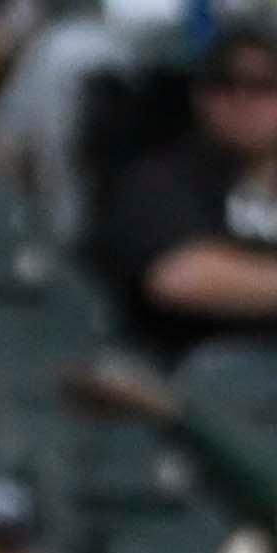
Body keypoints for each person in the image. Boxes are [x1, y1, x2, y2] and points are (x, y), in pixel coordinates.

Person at [99, 10, 277, 364]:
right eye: (223, 82)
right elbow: (179, 278)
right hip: (192, 380)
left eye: (264, 85)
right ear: (198, 93)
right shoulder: (158, 177)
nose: (241, 98)